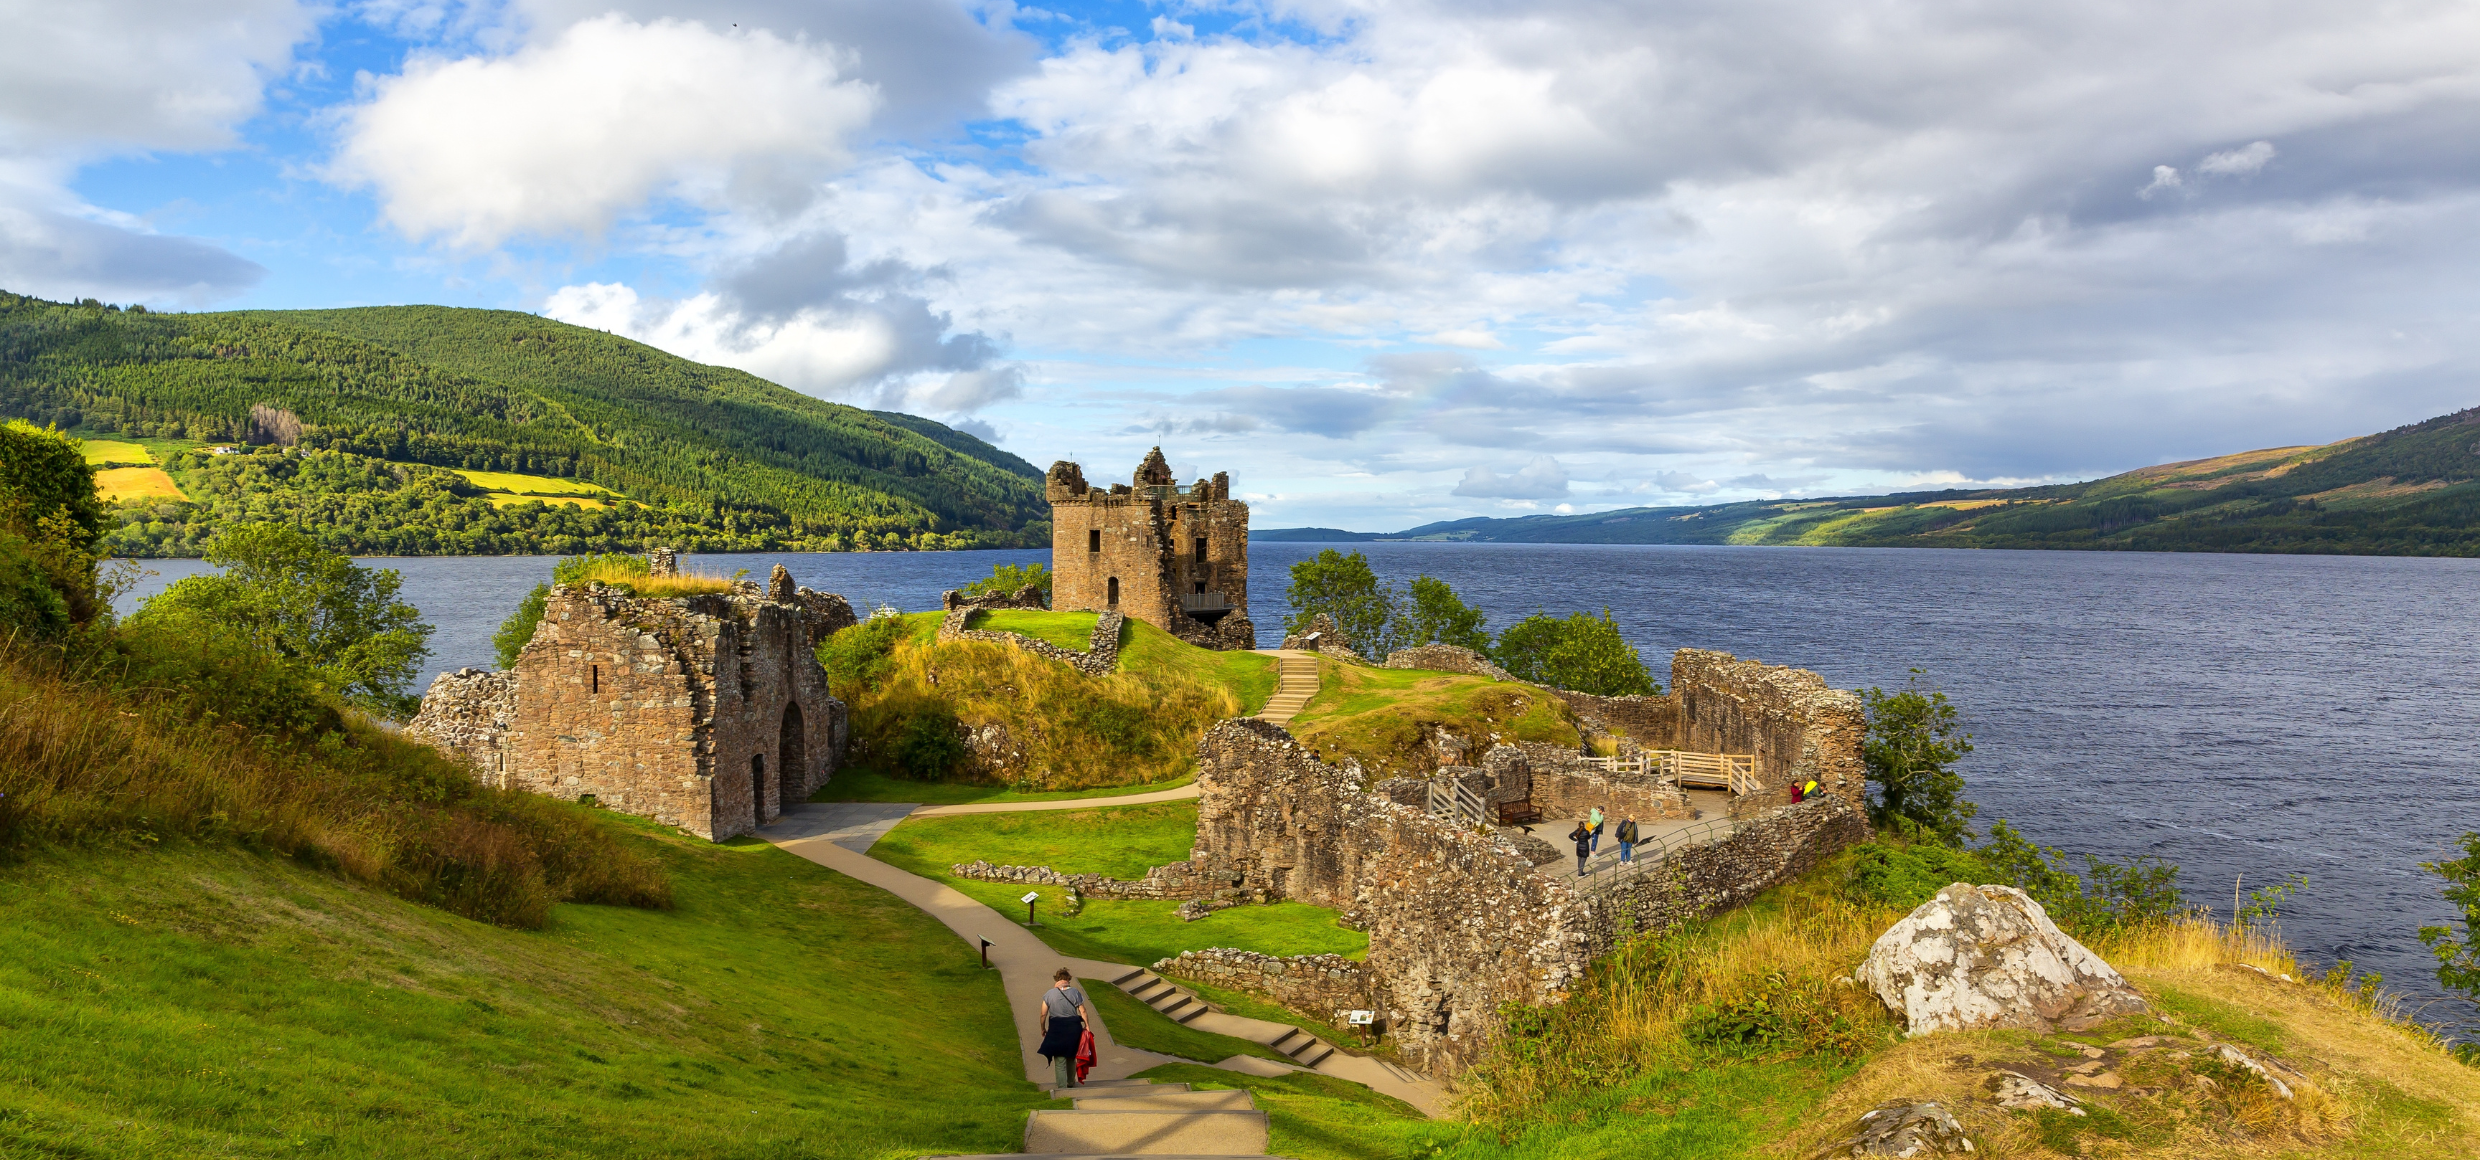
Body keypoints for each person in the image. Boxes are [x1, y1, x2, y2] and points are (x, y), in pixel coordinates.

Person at [1033, 968, 1094, 1090]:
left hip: (1057, 1028)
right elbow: (1083, 1011)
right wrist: (1087, 1025)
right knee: (1071, 1056)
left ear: (1057, 979)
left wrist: (1042, 1028)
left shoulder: (1049, 994)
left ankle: (1061, 1087)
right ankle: (1071, 1082)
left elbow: (1043, 1014)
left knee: (1059, 1058)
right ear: (1068, 979)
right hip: (1073, 1028)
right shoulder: (1075, 992)